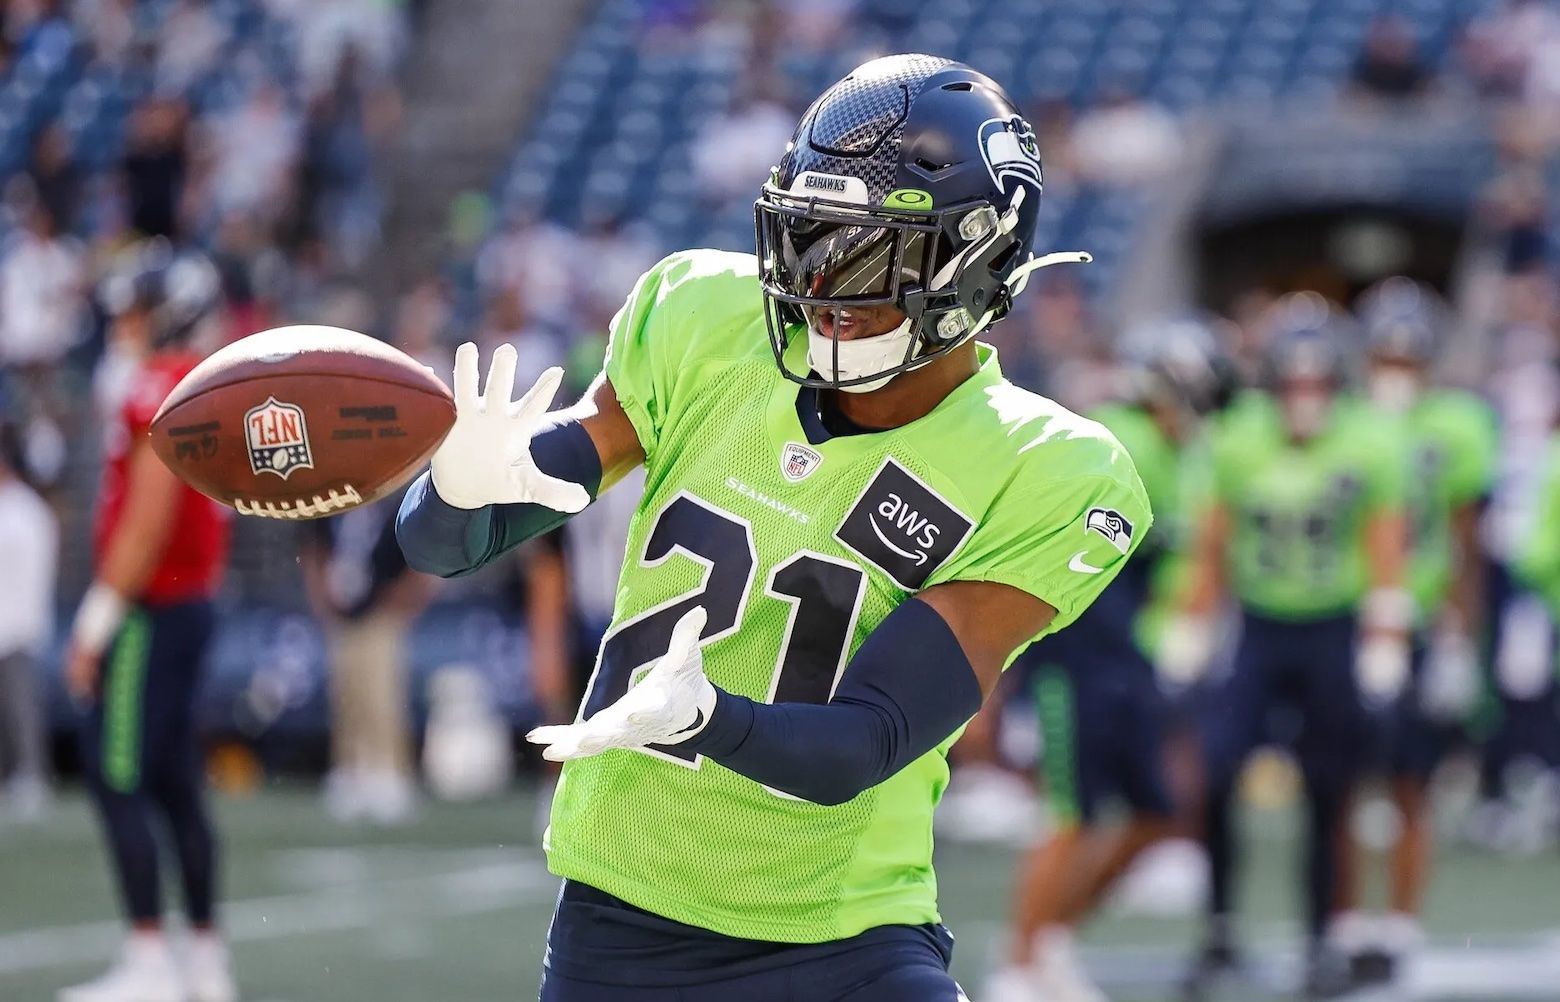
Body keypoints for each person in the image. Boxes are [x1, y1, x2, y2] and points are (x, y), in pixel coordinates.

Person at [398, 54, 1149, 1002]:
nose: (821, 284)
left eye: (865, 254)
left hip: (845, 931)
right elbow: (440, 546)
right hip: (622, 918)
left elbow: (865, 741)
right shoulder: (705, 320)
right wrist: (456, 489)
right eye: (806, 242)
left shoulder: (1046, 468)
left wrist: (711, 719)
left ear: (977, 257)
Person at [1169, 294, 1411, 1000]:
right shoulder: (1238, 437)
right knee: (1216, 773)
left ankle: (1319, 939)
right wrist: (1193, 626)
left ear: (1339, 382)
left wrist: (1385, 635)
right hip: (1260, 628)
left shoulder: (1371, 440)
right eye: (1293, 382)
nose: (1306, 396)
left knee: (1328, 788)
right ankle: (1219, 929)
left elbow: (1385, 543)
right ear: (1272, 383)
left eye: (1319, 382)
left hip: (1332, 629)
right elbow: (1213, 544)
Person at [990, 319, 1235, 1002]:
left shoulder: (1174, 450)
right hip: (1077, 656)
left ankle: (1053, 940)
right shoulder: (1115, 438)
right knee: (1070, 815)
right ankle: (1019, 959)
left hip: (1127, 660)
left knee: (1155, 814)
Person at [61, 248, 237, 1002]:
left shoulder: (159, 387)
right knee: (172, 782)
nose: (125, 322)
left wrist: (97, 620)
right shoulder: (198, 385)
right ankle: (201, 957)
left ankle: (149, 960)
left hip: (152, 611)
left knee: (118, 775)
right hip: (188, 604)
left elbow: (148, 515)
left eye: (137, 308)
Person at [1331, 279, 1497, 986]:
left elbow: (1464, 542)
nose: (1396, 366)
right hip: (1342, 614)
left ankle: (1398, 924)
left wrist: (1463, 636)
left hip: (1419, 618)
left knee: (1409, 781)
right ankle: (1343, 922)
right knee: (1338, 779)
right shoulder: (1338, 421)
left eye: (1408, 355)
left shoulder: (1456, 424)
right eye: (1385, 354)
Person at [301, 490, 431, 825]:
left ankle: (388, 771)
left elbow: (420, 557)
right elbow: (315, 550)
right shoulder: (332, 505)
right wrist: (322, 599)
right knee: (347, 698)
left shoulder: (395, 507)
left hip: (381, 612)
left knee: (381, 697)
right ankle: (351, 769)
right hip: (343, 615)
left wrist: (405, 599)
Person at [0, 419, 58, 820]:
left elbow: (33, 574)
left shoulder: (26, 510)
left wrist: (25, 621)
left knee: (22, 707)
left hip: (16, 624)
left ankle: (33, 775)